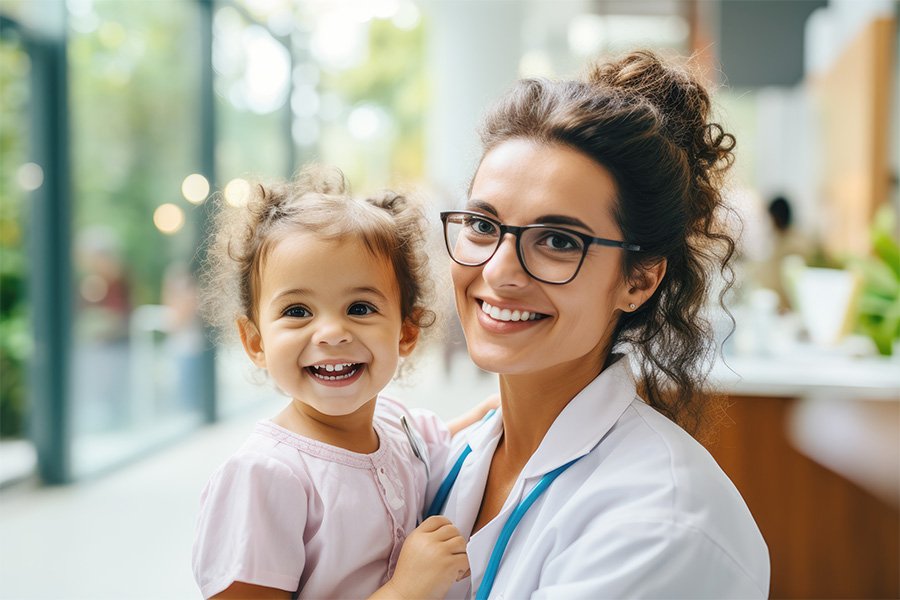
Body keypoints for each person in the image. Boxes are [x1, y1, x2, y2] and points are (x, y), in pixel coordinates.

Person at [429, 50, 770, 598]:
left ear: (639, 280)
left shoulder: (661, 523)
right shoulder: (452, 455)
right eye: (483, 224)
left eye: (559, 241)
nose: (498, 270)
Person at [192, 165, 492, 599]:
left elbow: (448, 443)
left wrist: (507, 406)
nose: (332, 332)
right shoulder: (265, 477)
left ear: (406, 332)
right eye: (297, 311)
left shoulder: (396, 425)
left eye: (360, 308)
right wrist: (405, 590)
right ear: (255, 342)